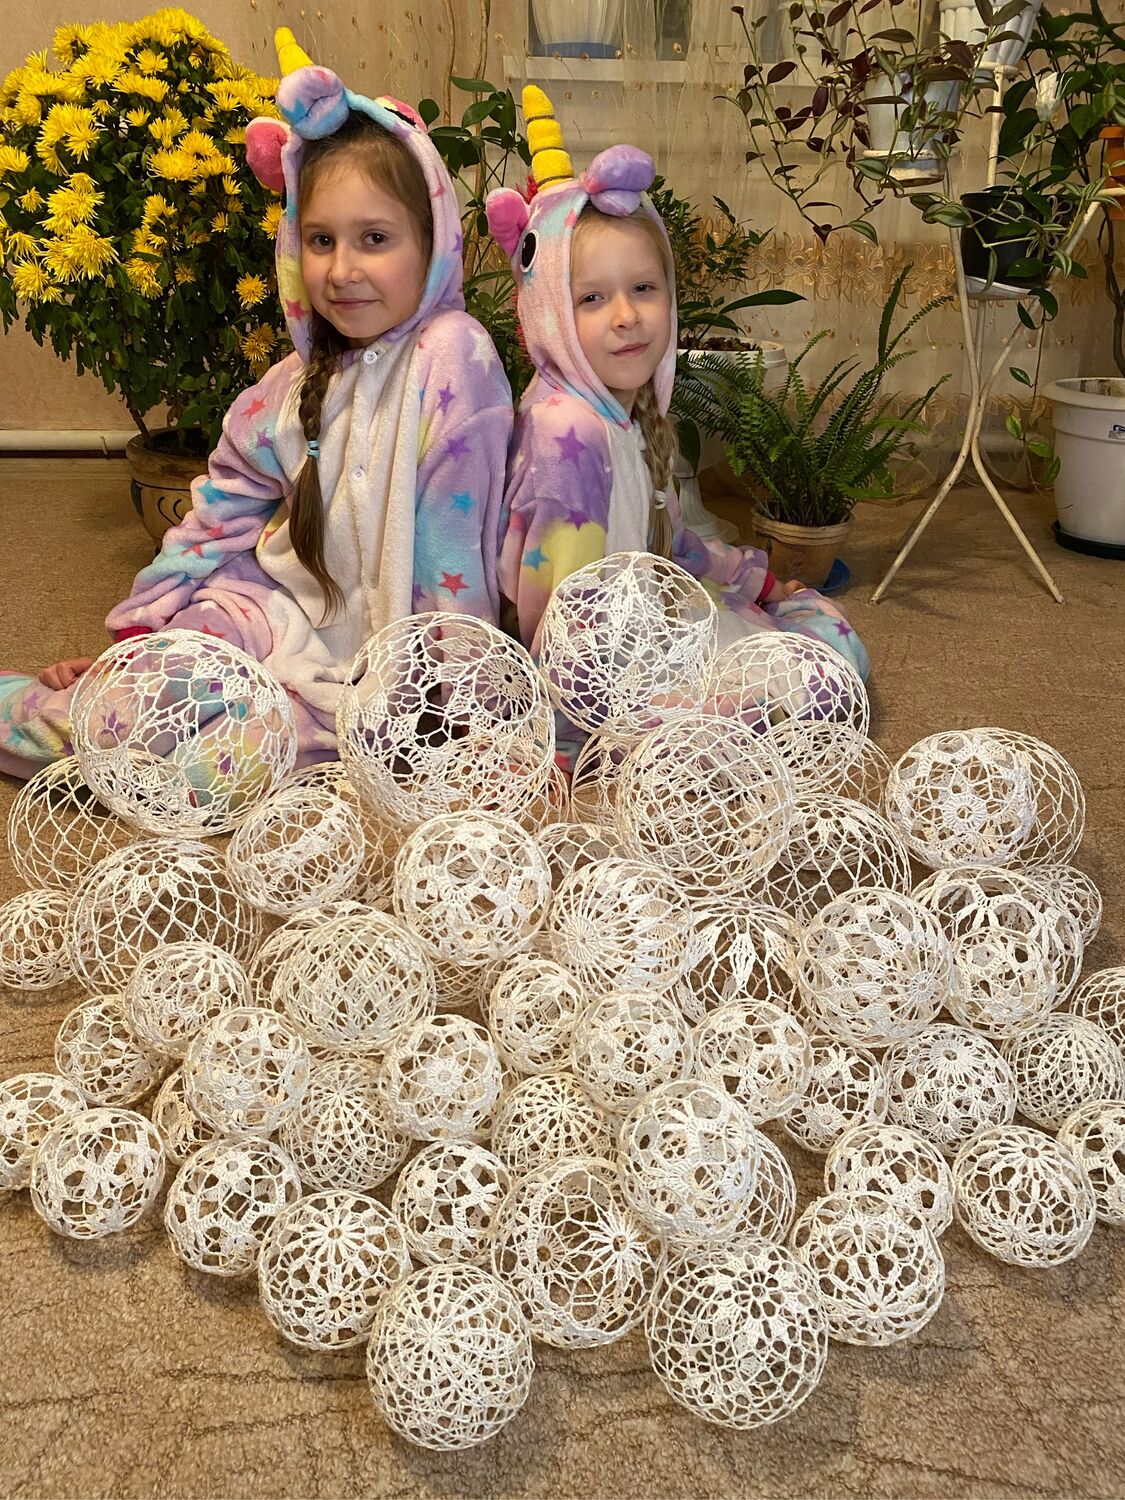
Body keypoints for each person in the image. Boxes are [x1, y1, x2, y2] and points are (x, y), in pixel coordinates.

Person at [0, 29, 513, 780]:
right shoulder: (289, 383)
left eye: (374, 238)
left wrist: (467, 719)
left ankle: (124, 738)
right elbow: (218, 519)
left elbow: (453, 559)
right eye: (320, 240)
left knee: (208, 777)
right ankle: (63, 707)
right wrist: (146, 635)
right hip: (258, 609)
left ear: (432, 242)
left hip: (377, 679)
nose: (341, 270)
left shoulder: (454, 358)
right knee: (119, 714)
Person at [485, 87, 868, 761]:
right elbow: (556, 614)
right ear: (548, 315)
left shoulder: (629, 410)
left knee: (822, 634)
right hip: (598, 682)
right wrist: (565, 744)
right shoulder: (568, 433)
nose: (626, 316)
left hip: (644, 626)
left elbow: (671, 541)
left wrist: (755, 581)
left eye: (643, 288)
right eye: (591, 298)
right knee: (825, 676)